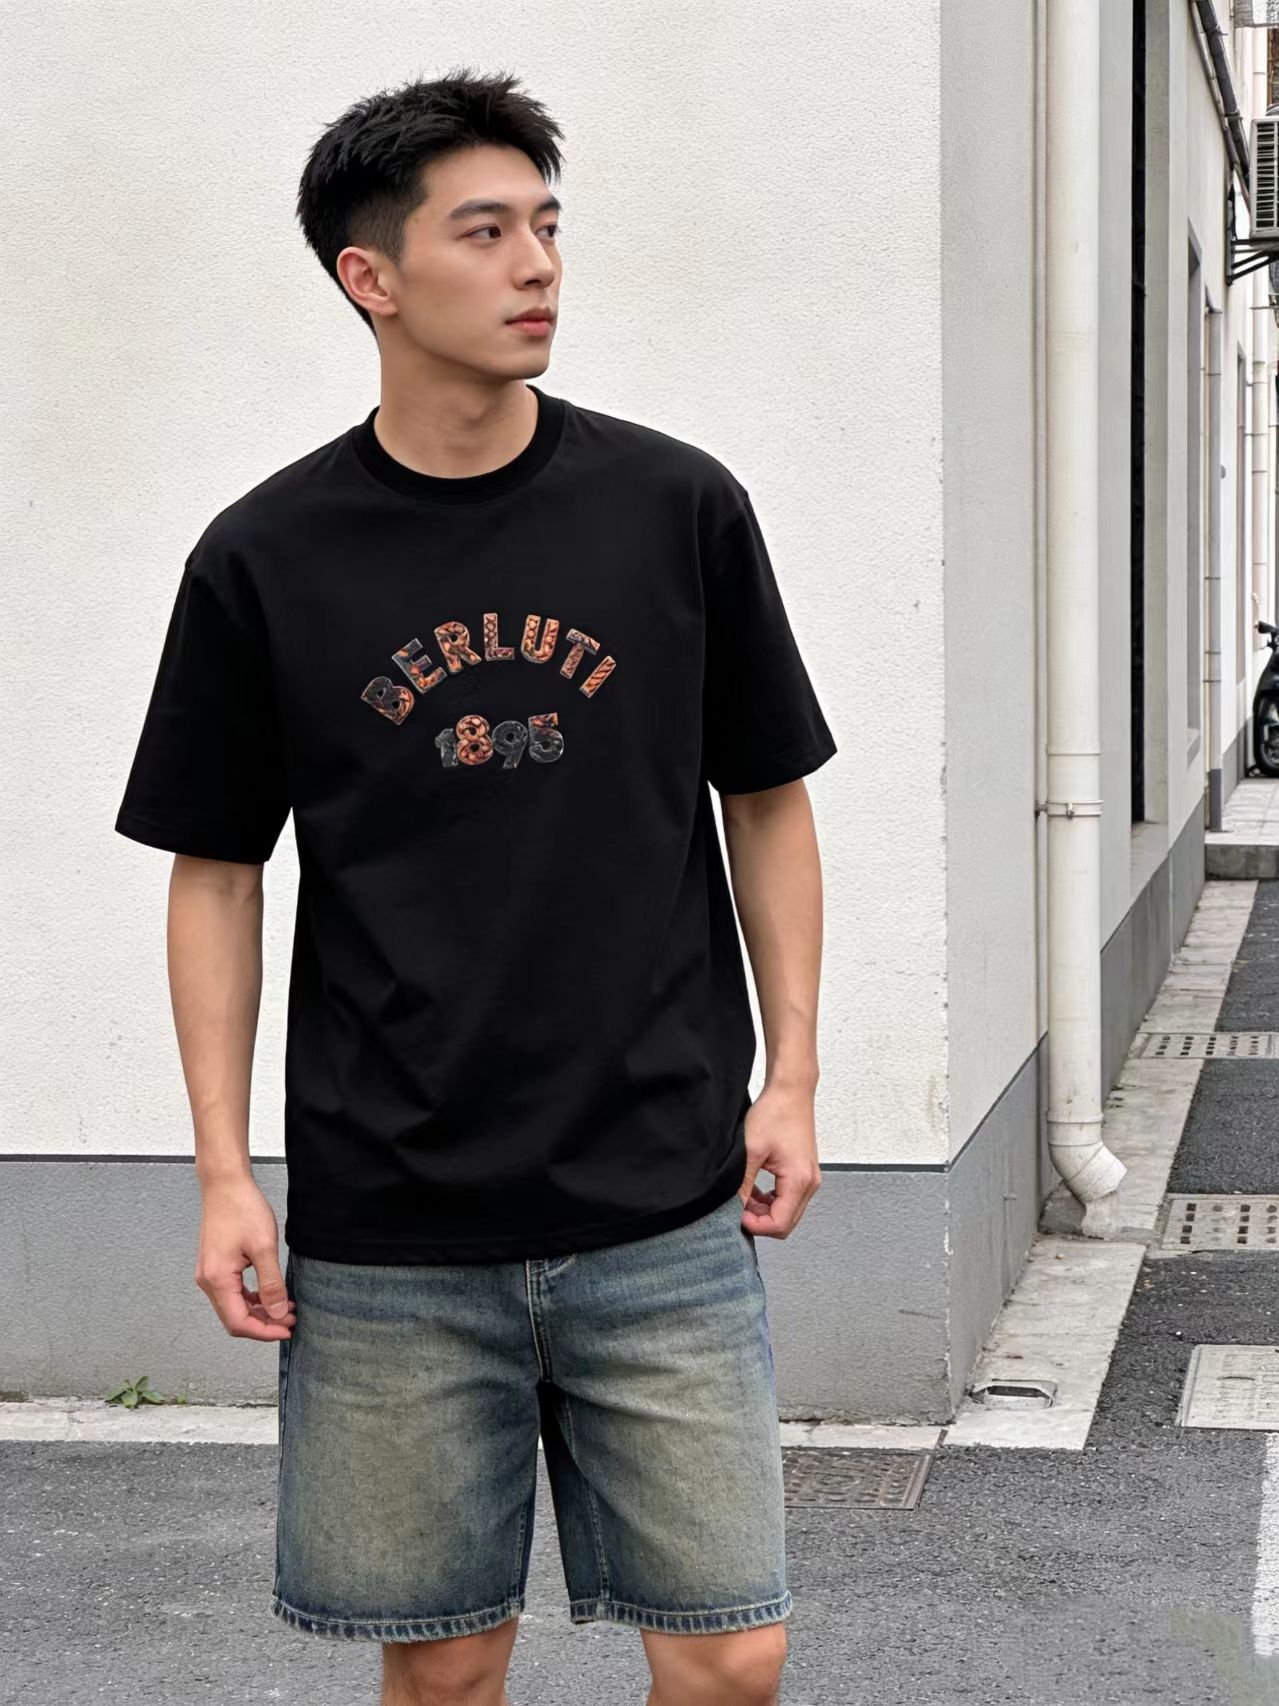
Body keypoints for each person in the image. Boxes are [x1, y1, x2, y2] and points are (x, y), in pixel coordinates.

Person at [114, 64, 837, 1706]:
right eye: (488, 231)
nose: (538, 268)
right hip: (395, 1224)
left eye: (549, 228)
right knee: (445, 1671)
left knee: (732, 1654)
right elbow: (216, 873)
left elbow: (767, 797)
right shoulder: (267, 557)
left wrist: (792, 1069)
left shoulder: (675, 509)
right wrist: (224, 1171)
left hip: (660, 1196)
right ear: (370, 275)